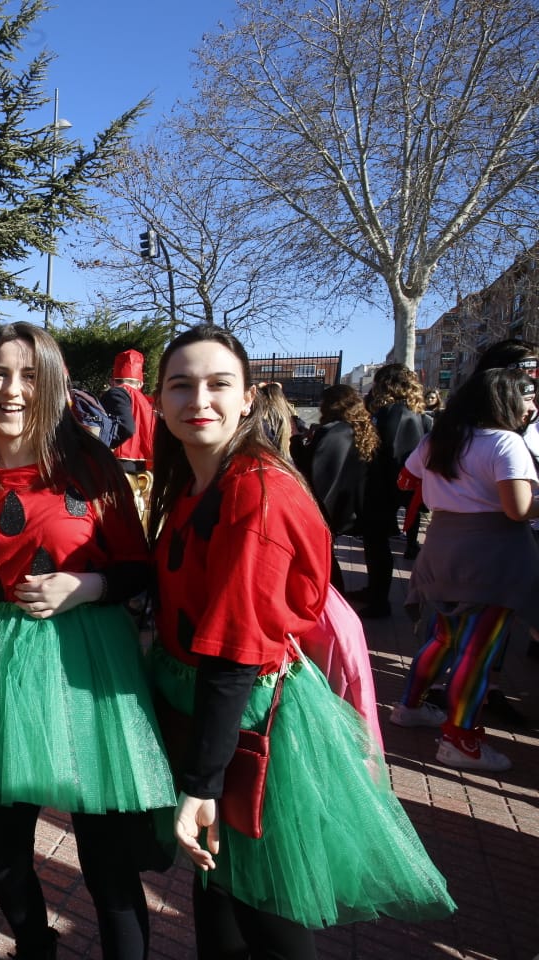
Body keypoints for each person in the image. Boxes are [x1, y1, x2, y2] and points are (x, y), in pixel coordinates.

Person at [147, 325, 453, 959]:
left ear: (250, 396)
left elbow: (236, 648)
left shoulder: (256, 493)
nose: (198, 398)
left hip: (253, 724)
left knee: (269, 918)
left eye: (217, 383)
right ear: (159, 397)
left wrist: (202, 783)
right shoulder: (197, 480)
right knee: (221, 899)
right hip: (213, 715)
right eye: (180, 385)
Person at [0, 322, 174, 960]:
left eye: (29, 376)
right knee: (0, 851)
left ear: (53, 386)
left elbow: (139, 569)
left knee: (107, 864)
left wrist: (88, 586)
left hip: (93, 671)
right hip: (6, 670)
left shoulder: (90, 467)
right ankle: (35, 945)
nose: (11, 389)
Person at [389, 367, 539, 771]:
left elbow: (406, 478)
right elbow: (519, 509)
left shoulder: (442, 436)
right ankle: (460, 740)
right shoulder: (506, 443)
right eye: (527, 397)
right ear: (505, 400)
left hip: (443, 549)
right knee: (477, 652)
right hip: (491, 558)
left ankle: (410, 707)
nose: (533, 406)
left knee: (442, 638)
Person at [353, 363, 425, 618]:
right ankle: (374, 591)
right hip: (383, 488)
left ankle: (379, 600)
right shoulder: (402, 410)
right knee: (375, 544)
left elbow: (392, 455)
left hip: (381, 490)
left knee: (377, 544)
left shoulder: (396, 412)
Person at [295, 384, 376, 591]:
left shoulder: (331, 432)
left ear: (332, 404)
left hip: (327, 504)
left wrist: (295, 441)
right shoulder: (359, 428)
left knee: (325, 555)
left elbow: (311, 467)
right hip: (352, 503)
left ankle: (334, 596)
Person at [101, 348, 154, 469]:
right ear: (140, 383)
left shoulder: (115, 393)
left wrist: (109, 445)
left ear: (112, 381)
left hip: (118, 462)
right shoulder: (147, 401)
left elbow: (127, 428)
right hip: (141, 462)